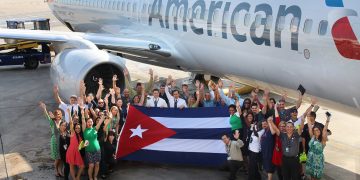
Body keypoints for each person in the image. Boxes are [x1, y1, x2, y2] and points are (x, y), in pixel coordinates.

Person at [268, 111, 305, 180]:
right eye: (287, 126)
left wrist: (302, 121)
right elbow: (276, 129)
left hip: (295, 160)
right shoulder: (282, 135)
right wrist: (271, 122)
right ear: (285, 128)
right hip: (285, 160)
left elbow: (301, 129)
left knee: (295, 177)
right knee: (286, 176)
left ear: (293, 128)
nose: (289, 128)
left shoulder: (296, 135)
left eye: (291, 127)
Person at [39, 102, 63, 177]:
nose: (57, 116)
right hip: (55, 140)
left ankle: (60, 170)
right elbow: (47, 116)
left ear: (61, 115)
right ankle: (56, 170)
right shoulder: (52, 122)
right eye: (56, 115)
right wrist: (44, 108)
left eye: (59, 114)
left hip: (62, 140)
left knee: (61, 157)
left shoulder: (63, 122)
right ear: (54, 116)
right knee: (57, 158)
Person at [305, 113, 331, 180]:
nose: (316, 131)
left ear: (320, 131)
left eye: (318, 130)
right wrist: (308, 117)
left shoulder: (322, 140)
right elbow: (310, 127)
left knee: (317, 177)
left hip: (318, 161)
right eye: (315, 130)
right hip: (310, 159)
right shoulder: (312, 137)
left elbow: (325, 130)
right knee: (312, 176)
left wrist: (328, 120)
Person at [82, 109, 105, 180]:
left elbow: (100, 121)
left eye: (91, 122)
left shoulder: (95, 129)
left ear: (93, 122)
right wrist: (82, 112)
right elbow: (83, 120)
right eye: (88, 122)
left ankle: (95, 176)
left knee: (97, 164)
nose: (90, 123)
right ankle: (90, 177)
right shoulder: (84, 130)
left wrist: (104, 114)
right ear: (86, 123)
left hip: (97, 149)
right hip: (88, 150)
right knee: (91, 165)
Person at [66, 110, 85, 180]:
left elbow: (80, 147)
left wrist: (85, 145)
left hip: (77, 152)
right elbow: (71, 123)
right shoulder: (73, 133)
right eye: (76, 128)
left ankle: (77, 177)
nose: (77, 129)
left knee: (82, 166)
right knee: (71, 166)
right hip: (71, 151)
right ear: (74, 128)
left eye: (79, 128)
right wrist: (69, 114)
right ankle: (74, 178)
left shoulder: (80, 135)